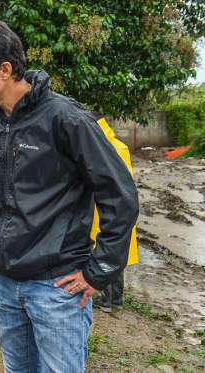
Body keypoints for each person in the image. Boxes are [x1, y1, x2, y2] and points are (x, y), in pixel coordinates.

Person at [0, 21, 139, 372]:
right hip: (7, 287)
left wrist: (98, 271)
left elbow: (120, 195)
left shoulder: (66, 118)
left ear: (5, 70)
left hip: (57, 288)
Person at [91, 115, 139, 312]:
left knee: (112, 252)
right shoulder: (114, 145)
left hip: (111, 209)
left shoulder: (109, 147)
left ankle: (112, 300)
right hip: (107, 208)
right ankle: (110, 299)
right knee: (109, 252)